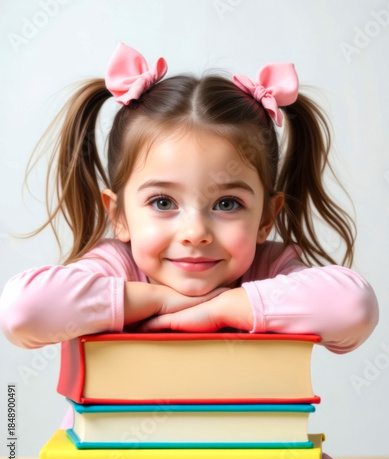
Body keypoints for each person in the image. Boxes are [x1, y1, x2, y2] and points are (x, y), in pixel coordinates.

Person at [0, 43, 379, 354]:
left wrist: (221, 309)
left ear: (266, 217)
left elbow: (353, 309)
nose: (195, 233)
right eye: (163, 202)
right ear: (119, 216)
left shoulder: (271, 267)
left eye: (227, 204)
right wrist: (157, 300)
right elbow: (22, 312)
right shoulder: (115, 266)